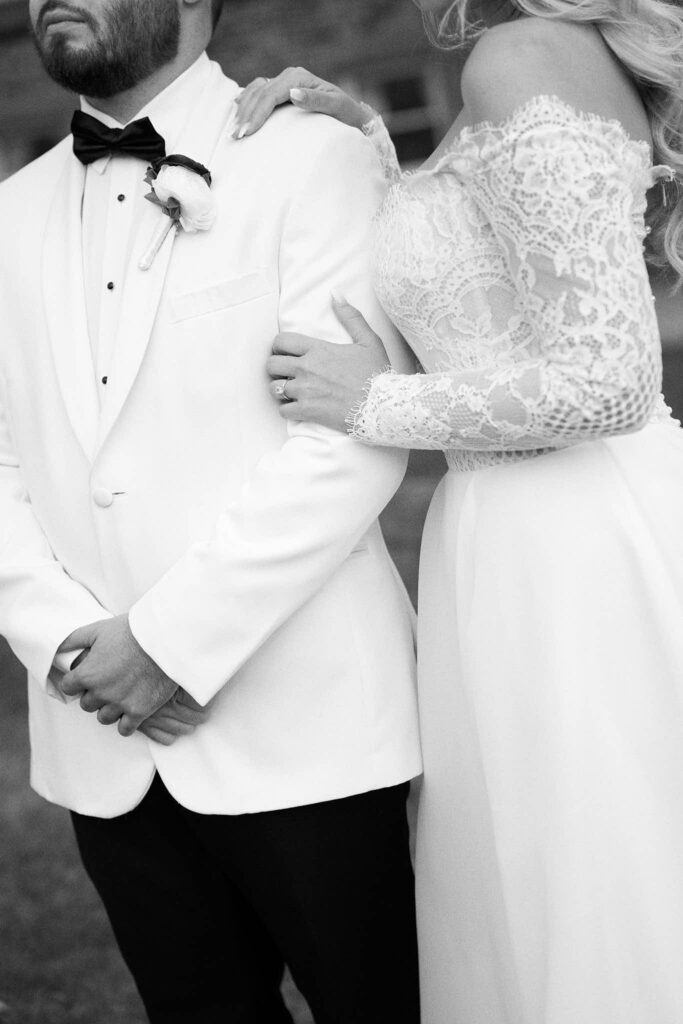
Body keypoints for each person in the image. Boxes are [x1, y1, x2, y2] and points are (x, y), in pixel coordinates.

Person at [232, 1, 683, 1021]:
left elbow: (606, 382)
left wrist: (373, 404)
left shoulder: (518, 52)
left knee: (597, 880)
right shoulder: (537, 56)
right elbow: (485, 287)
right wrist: (368, 146)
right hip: (515, 531)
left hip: (572, 541)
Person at [0, 1, 424, 1021]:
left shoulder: (313, 159)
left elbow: (352, 437)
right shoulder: (8, 212)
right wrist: (66, 641)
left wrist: (168, 642)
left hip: (307, 722)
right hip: (102, 734)